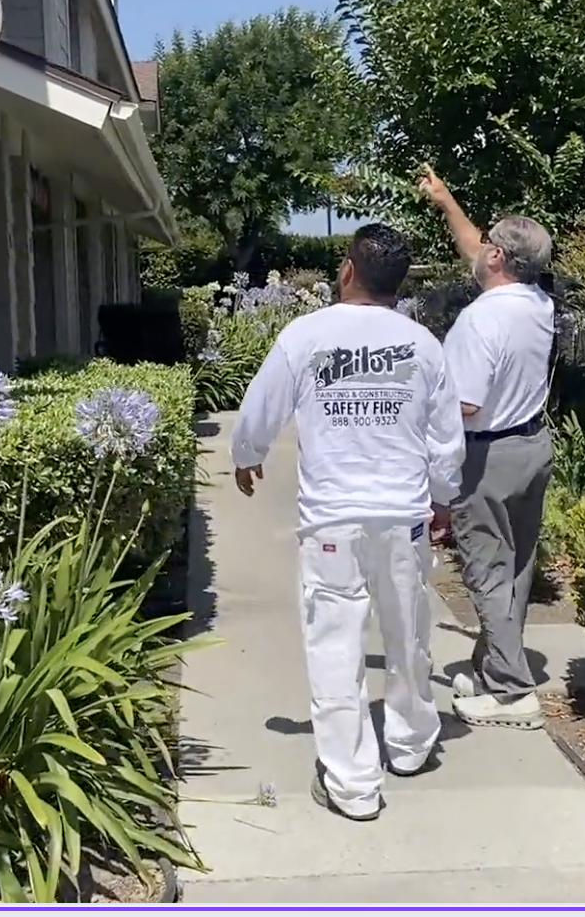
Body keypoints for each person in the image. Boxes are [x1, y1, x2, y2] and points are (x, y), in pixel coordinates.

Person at [229, 223, 466, 821]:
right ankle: (410, 746)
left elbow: (260, 408)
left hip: (332, 522)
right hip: (404, 516)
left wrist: (247, 454)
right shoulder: (423, 344)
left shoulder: (305, 335)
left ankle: (353, 785)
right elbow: (445, 438)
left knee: (336, 648)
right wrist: (443, 498)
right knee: (408, 636)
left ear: (348, 270)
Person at [418, 165, 555, 731]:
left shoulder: (479, 321)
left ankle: (512, 693)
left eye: (489, 245)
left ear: (499, 257)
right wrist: (446, 200)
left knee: (485, 571)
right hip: (532, 446)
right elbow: (477, 250)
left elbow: (463, 407)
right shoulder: (538, 302)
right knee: (516, 569)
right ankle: (498, 666)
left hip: (487, 458)